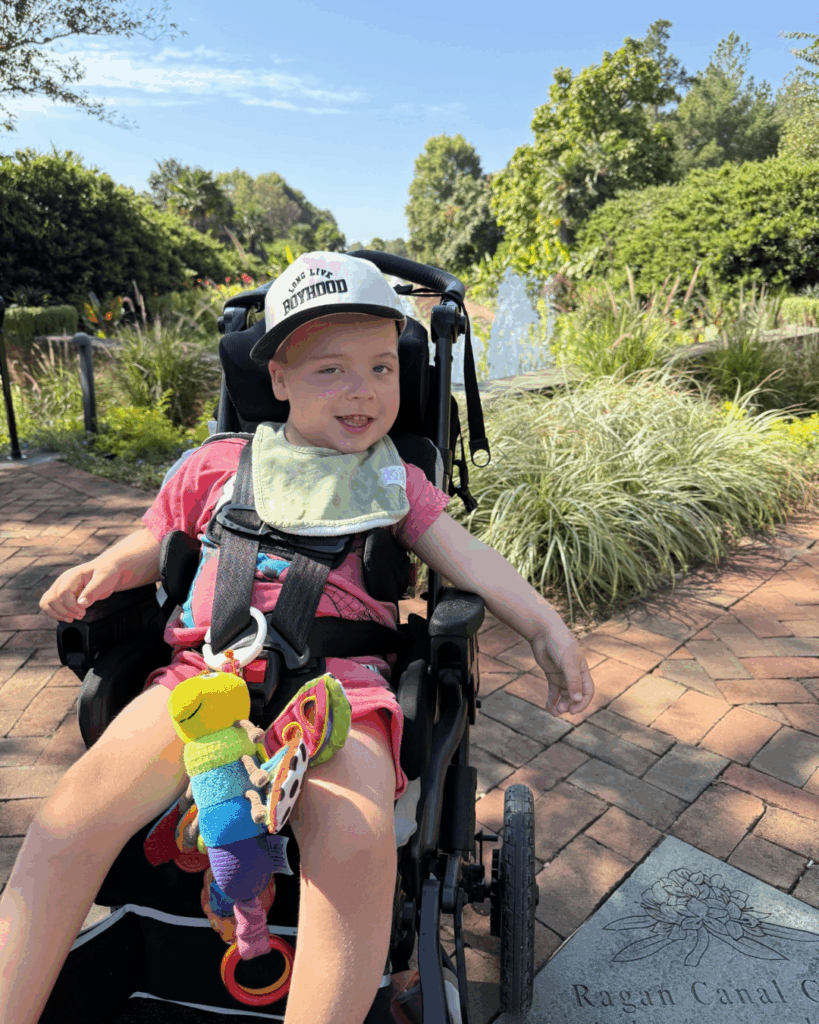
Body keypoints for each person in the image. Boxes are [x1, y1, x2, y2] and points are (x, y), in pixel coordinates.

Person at [0, 252, 595, 1024]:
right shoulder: (217, 463)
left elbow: (468, 557)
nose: (363, 390)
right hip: (202, 680)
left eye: (383, 367)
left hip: (340, 692)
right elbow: (154, 537)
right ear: (276, 378)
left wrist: (545, 624)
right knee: (67, 824)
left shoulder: (397, 480)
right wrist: (106, 566)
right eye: (330, 370)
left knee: (353, 840)